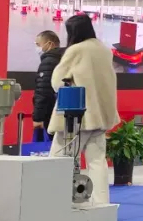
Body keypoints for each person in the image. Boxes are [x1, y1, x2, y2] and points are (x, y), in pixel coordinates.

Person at [50, 15, 118, 206]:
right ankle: (101, 204)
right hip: (101, 116)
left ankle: (57, 204)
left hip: (77, 117)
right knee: (97, 162)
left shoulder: (76, 50)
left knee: (58, 160)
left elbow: (57, 81)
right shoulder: (104, 50)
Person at [32, 30, 64, 142]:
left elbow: (43, 91)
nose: (37, 48)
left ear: (49, 44)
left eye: (38, 44)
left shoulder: (48, 62)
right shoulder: (63, 59)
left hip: (51, 114)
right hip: (63, 113)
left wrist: (38, 118)